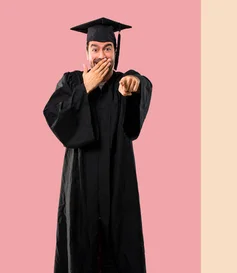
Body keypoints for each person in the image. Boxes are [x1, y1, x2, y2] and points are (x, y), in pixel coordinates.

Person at [43, 17, 152, 273]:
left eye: (107, 48)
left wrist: (134, 85)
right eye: (95, 48)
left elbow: (135, 116)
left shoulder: (123, 83)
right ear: (86, 52)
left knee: (120, 244)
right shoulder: (71, 82)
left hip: (117, 182)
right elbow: (54, 116)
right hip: (81, 184)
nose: (101, 55)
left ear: (116, 52)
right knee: (81, 244)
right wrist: (85, 88)